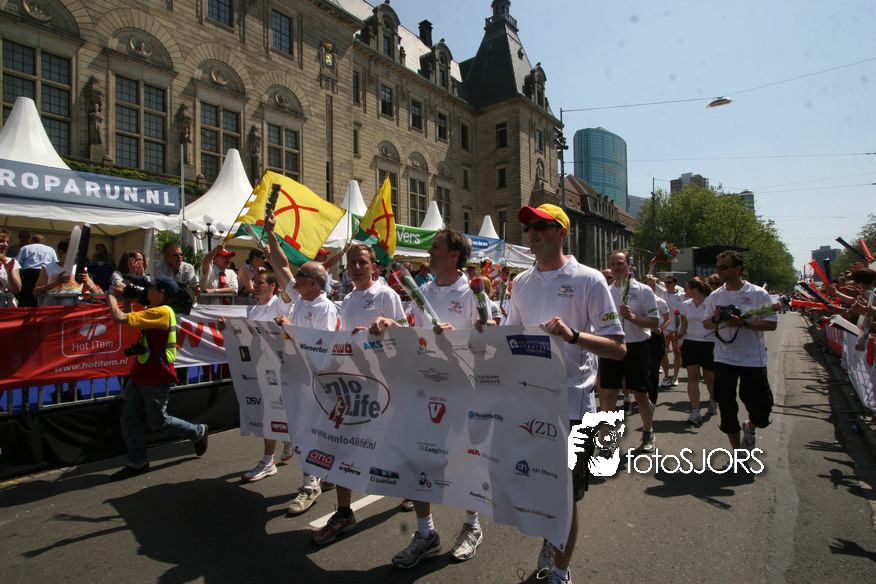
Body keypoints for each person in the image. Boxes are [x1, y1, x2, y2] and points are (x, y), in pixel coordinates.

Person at [504, 204, 625, 584]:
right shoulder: (520, 283)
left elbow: (618, 348)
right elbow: (508, 338)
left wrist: (572, 336)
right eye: (529, 226)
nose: (532, 232)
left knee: (565, 495)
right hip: (529, 403)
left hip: (571, 405)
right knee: (539, 485)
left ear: (562, 232)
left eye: (541, 225)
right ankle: (551, 536)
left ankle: (560, 571)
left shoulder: (589, 279)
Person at [370, 228, 495, 567]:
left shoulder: (472, 292)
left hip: (462, 388)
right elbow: (415, 333)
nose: (430, 251)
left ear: (454, 255)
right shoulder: (422, 291)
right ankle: (425, 534)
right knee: (418, 458)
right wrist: (390, 324)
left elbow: (489, 340)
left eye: (436, 247)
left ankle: (471, 525)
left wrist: (462, 338)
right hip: (424, 386)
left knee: (463, 460)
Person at [312, 243, 407, 546]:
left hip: (384, 382)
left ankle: (408, 487)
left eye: (362, 263)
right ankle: (344, 513)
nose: (356, 267)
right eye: (352, 262)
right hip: (353, 383)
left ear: (374, 267)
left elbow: (405, 333)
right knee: (343, 442)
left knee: (392, 443)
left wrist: (385, 326)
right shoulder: (348, 299)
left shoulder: (387, 295)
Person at [264, 211, 341, 517]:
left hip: (316, 380)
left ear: (315, 283)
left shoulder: (325, 308)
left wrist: (290, 329)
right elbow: (280, 264)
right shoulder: (298, 299)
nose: (295, 277)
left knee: (309, 431)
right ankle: (323, 474)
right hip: (295, 376)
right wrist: (272, 233)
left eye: (302, 275)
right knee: (303, 430)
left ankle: (310, 484)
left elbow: (320, 347)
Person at [106, 275, 208, 480]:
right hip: (142, 371)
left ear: (161, 293)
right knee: (129, 418)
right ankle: (138, 462)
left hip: (156, 374)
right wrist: (127, 299)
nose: (147, 290)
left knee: (159, 422)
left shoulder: (161, 312)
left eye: (151, 287)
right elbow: (133, 320)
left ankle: (197, 432)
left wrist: (112, 296)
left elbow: (119, 318)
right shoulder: (154, 310)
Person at [222, 270, 296, 483]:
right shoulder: (254, 309)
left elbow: (287, 284)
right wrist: (227, 329)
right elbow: (248, 338)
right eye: (255, 282)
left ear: (273, 286)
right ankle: (274, 453)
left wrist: (274, 258)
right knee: (268, 413)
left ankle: (269, 459)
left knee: (276, 411)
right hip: (261, 368)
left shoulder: (280, 304)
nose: (255, 286)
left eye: (261, 283)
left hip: (280, 368)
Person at [703, 250, 777, 458]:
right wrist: (717, 319)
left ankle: (750, 428)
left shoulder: (758, 294)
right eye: (717, 267)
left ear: (738, 269)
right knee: (727, 407)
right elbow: (706, 323)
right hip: (724, 358)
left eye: (724, 267)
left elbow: (771, 324)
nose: (719, 271)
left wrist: (743, 323)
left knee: (762, 409)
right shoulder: (716, 295)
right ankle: (737, 454)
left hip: (753, 359)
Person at [598, 250, 658, 454]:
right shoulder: (604, 291)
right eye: (612, 264)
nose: (616, 268)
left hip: (636, 347)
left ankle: (648, 431)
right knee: (608, 395)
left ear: (629, 265)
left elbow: (654, 322)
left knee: (641, 395)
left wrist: (632, 318)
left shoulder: (644, 291)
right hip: (611, 346)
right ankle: (606, 441)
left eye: (620, 263)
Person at [676, 278, 717, 425]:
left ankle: (713, 400)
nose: (684, 292)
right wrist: (679, 335)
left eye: (686, 288)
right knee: (693, 377)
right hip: (691, 343)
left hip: (710, 344)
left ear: (694, 290)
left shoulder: (711, 303)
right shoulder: (686, 304)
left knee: (709, 378)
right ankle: (695, 411)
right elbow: (685, 323)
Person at [648, 258, 685, 387]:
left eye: (669, 282)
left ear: (675, 283)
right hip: (666, 328)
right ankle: (666, 376)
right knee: (664, 353)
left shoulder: (682, 295)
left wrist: (683, 329)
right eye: (665, 282)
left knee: (677, 352)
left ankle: (675, 377)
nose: (667, 284)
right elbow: (650, 279)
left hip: (678, 329)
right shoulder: (662, 293)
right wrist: (652, 265)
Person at [642, 276, 670, 407]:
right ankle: (643, 396)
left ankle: (652, 399)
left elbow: (667, 318)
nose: (652, 288)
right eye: (649, 285)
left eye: (653, 285)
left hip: (656, 337)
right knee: (643, 369)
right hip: (642, 336)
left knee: (654, 369)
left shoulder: (660, 301)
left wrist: (661, 328)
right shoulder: (639, 300)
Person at [15, 234, 57, 307]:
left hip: (29, 273)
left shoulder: (25, 248)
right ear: (43, 241)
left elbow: (18, 262)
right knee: (43, 293)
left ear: (32, 241)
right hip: (45, 272)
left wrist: (19, 275)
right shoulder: (50, 249)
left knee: (27, 295)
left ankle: (27, 310)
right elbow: (55, 262)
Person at [0, 228, 22, 307]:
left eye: (7, 242)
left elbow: (16, 289)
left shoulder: (11, 262)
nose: (5, 244)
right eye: (1, 241)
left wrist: (9, 272)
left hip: (6, 307)